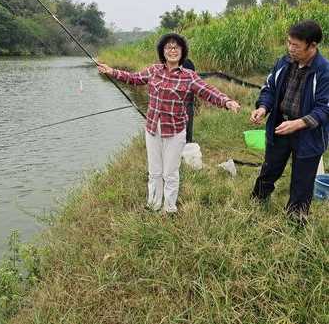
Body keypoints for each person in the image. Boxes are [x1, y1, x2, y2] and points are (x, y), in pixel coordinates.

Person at [98, 33, 240, 214]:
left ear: (182, 52)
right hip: (152, 129)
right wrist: (111, 71)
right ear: (162, 52)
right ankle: (154, 205)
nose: (172, 50)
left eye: (176, 47)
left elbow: (208, 91)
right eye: (168, 47)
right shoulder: (154, 70)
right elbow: (133, 78)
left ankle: (169, 209)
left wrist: (227, 101)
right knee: (154, 172)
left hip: (175, 131)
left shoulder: (189, 76)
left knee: (170, 173)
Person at [250, 20, 329, 221]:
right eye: (289, 43)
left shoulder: (324, 71)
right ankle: (256, 202)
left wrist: (299, 123)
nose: (291, 49)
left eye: (296, 45)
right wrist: (263, 107)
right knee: (270, 168)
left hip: (308, 133)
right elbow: (270, 88)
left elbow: (324, 108)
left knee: (303, 180)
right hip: (280, 126)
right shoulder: (284, 62)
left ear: (312, 46)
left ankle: (296, 219)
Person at [182, 57, 195, 143]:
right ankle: (188, 140)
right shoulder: (188, 61)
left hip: (186, 101)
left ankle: (187, 141)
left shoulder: (186, 62)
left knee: (187, 118)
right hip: (188, 101)